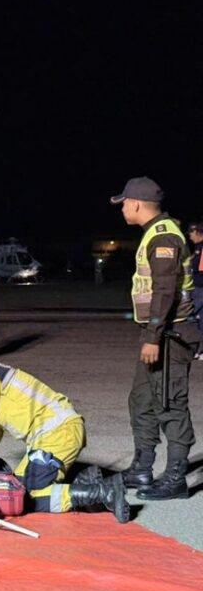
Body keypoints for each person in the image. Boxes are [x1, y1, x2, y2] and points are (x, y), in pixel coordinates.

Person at [0, 336, 130, 522]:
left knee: (26, 497)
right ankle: (86, 478)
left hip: (57, 434)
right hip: (54, 434)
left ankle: (104, 492)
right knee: (16, 487)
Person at [112, 177, 199, 500]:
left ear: (137, 204)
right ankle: (142, 468)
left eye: (124, 203)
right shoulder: (155, 233)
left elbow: (165, 291)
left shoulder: (164, 238)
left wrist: (152, 336)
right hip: (159, 333)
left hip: (169, 336)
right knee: (142, 400)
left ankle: (176, 478)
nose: (122, 208)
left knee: (170, 403)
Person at [186, 222, 203, 360]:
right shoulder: (198, 248)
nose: (190, 236)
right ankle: (199, 350)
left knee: (191, 317)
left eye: (191, 233)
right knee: (199, 321)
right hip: (197, 288)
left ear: (197, 232)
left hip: (200, 289)